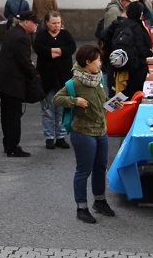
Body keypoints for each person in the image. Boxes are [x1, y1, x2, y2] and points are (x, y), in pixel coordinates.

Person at [53, 45, 114, 224]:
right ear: (88, 62)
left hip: (101, 131)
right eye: (98, 60)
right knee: (83, 170)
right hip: (83, 132)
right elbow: (56, 99)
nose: (100, 63)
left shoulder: (99, 77)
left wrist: (113, 104)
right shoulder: (75, 82)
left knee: (100, 167)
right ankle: (81, 207)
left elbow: (102, 104)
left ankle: (100, 201)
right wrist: (74, 101)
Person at [0, 10, 40, 157]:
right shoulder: (22, 37)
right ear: (26, 22)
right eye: (34, 22)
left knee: (6, 115)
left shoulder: (13, 32)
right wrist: (35, 75)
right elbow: (24, 62)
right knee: (13, 115)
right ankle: (13, 147)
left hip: (4, 81)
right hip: (12, 83)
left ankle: (8, 144)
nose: (36, 25)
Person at [34, 11, 76, 150]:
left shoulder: (66, 35)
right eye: (53, 23)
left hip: (63, 79)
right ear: (47, 23)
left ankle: (61, 136)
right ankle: (49, 137)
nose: (56, 26)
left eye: (58, 23)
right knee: (47, 110)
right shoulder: (41, 36)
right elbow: (40, 50)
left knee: (62, 110)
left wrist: (55, 51)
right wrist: (58, 52)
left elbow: (71, 48)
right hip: (47, 79)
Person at [102, 1, 153, 97]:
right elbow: (144, 49)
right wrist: (150, 53)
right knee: (133, 95)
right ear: (140, 13)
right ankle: (132, 111)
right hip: (135, 69)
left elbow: (104, 39)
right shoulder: (138, 27)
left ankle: (114, 111)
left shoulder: (117, 23)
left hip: (116, 67)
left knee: (118, 95)